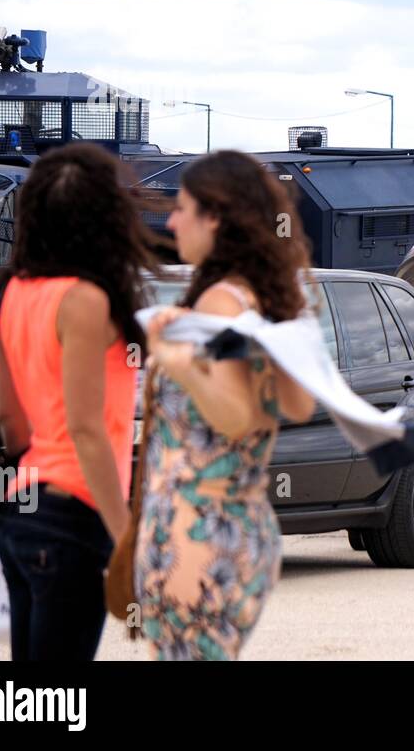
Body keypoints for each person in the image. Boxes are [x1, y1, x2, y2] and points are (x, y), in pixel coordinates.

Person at [136, 150, 315, 660]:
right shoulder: (264, 297)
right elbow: (296, 404)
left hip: (197, 534)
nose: (171, 220)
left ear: (216, 218)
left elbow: (234, 415)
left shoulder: (222, 301)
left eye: (183, 207)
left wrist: (175, 358)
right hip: (243, 526)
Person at [0, 144, 157, 661]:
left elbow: (10, 421)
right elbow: (86, 431)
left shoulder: (15, 290)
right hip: (71, 520)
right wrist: (126, 538)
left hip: (20, 513)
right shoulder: (86, 300)